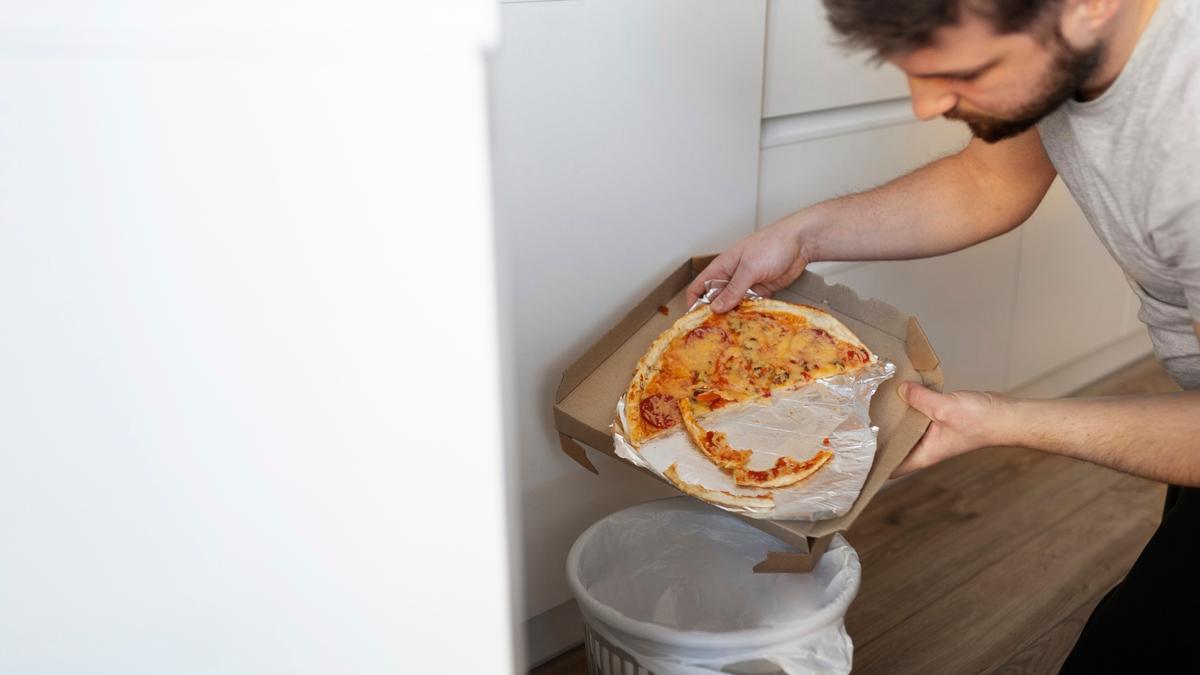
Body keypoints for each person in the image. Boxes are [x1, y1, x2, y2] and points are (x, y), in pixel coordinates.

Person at [688, 0, 1197, 669]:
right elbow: (991, 181)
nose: (925, 107)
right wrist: (803, 235)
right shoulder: (1067, 41)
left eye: (966, 71)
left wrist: (1001, 420)